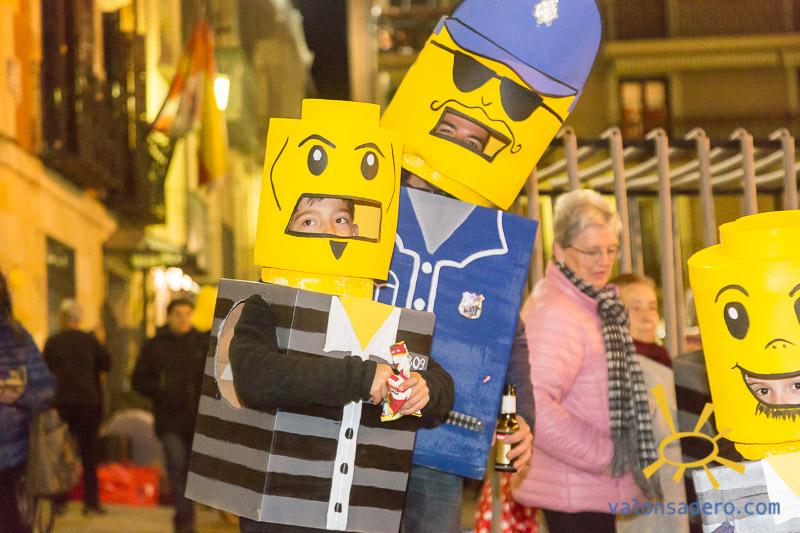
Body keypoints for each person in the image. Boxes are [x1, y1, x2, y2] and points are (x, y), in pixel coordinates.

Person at [513, 189, 661, 533]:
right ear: (560, 250)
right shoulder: (556, 312)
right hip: (573, 487)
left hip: (584, 486)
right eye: (592, 251)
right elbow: (535, 406)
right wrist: (607, 455)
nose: (603, 261)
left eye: (611, 250)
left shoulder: (589, 302)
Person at [132, 298, 208, 533]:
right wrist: (161, 391)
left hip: (197, 420)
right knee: (176, 465)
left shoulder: (201, 342)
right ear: (169, 316)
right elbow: (138, 379)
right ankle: (185, 520)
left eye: (187, 314)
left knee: (192, 471)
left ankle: (186, 515)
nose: (183, 319)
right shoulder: (156, 345)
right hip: (170, 420)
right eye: (178, 314)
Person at [43, 299, 111, 515]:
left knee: (61, 452)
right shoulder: (90, 341)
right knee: (89, 454)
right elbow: (107, 364)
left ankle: (60, 501)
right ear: (79, 319)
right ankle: (91, 503)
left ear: (63, 318)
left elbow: (45, 370)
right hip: (88, 403)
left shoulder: (53, 342)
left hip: (62, 403)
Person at [0, 272, 54, 533]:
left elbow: (45, 390)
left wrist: (19, 394)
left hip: (13, 452)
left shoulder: (17, 337)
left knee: (12, 521)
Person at [611, 274, 671, 368]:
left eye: (652, 307)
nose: (647, 317)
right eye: (636, 308)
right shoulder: (610, 365)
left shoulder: (661, 357)